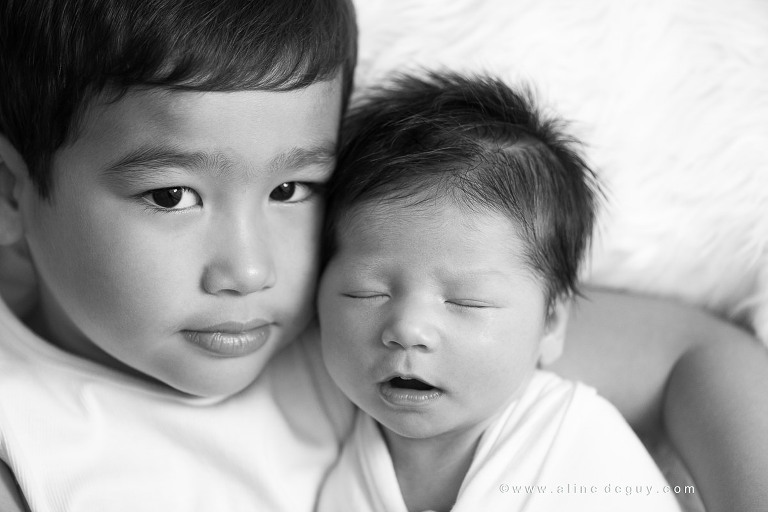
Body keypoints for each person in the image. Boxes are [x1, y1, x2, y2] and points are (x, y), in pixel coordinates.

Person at [0, 1, 766, 511]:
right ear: (10, 194)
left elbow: (695, 358)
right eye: (172, 197)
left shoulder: (363, 316)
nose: (250, 269)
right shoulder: (23, 436)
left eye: (294, 187)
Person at [315, 71, 682, 512]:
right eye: (366, 292)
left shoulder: (571, 440)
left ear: (550, 324)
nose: (407, 328)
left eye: (467, 301)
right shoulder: (334, 462)